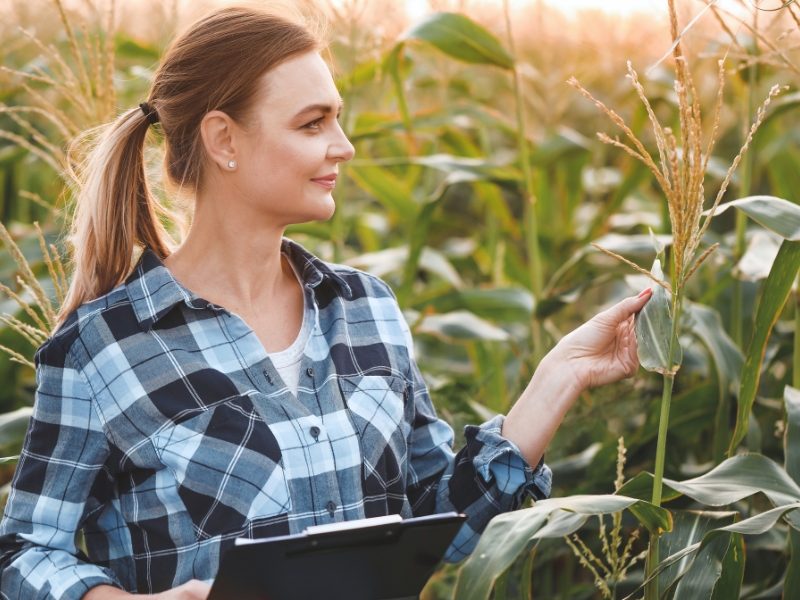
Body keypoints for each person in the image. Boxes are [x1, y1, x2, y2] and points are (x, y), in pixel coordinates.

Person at [0, 5, 653, 599]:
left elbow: (438, 527)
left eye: (337, 119)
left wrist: (559, 375)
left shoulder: (367, 309)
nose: (343, 146)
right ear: (224, 140)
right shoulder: (104, 348)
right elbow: (23, 552)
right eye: (314, 123)